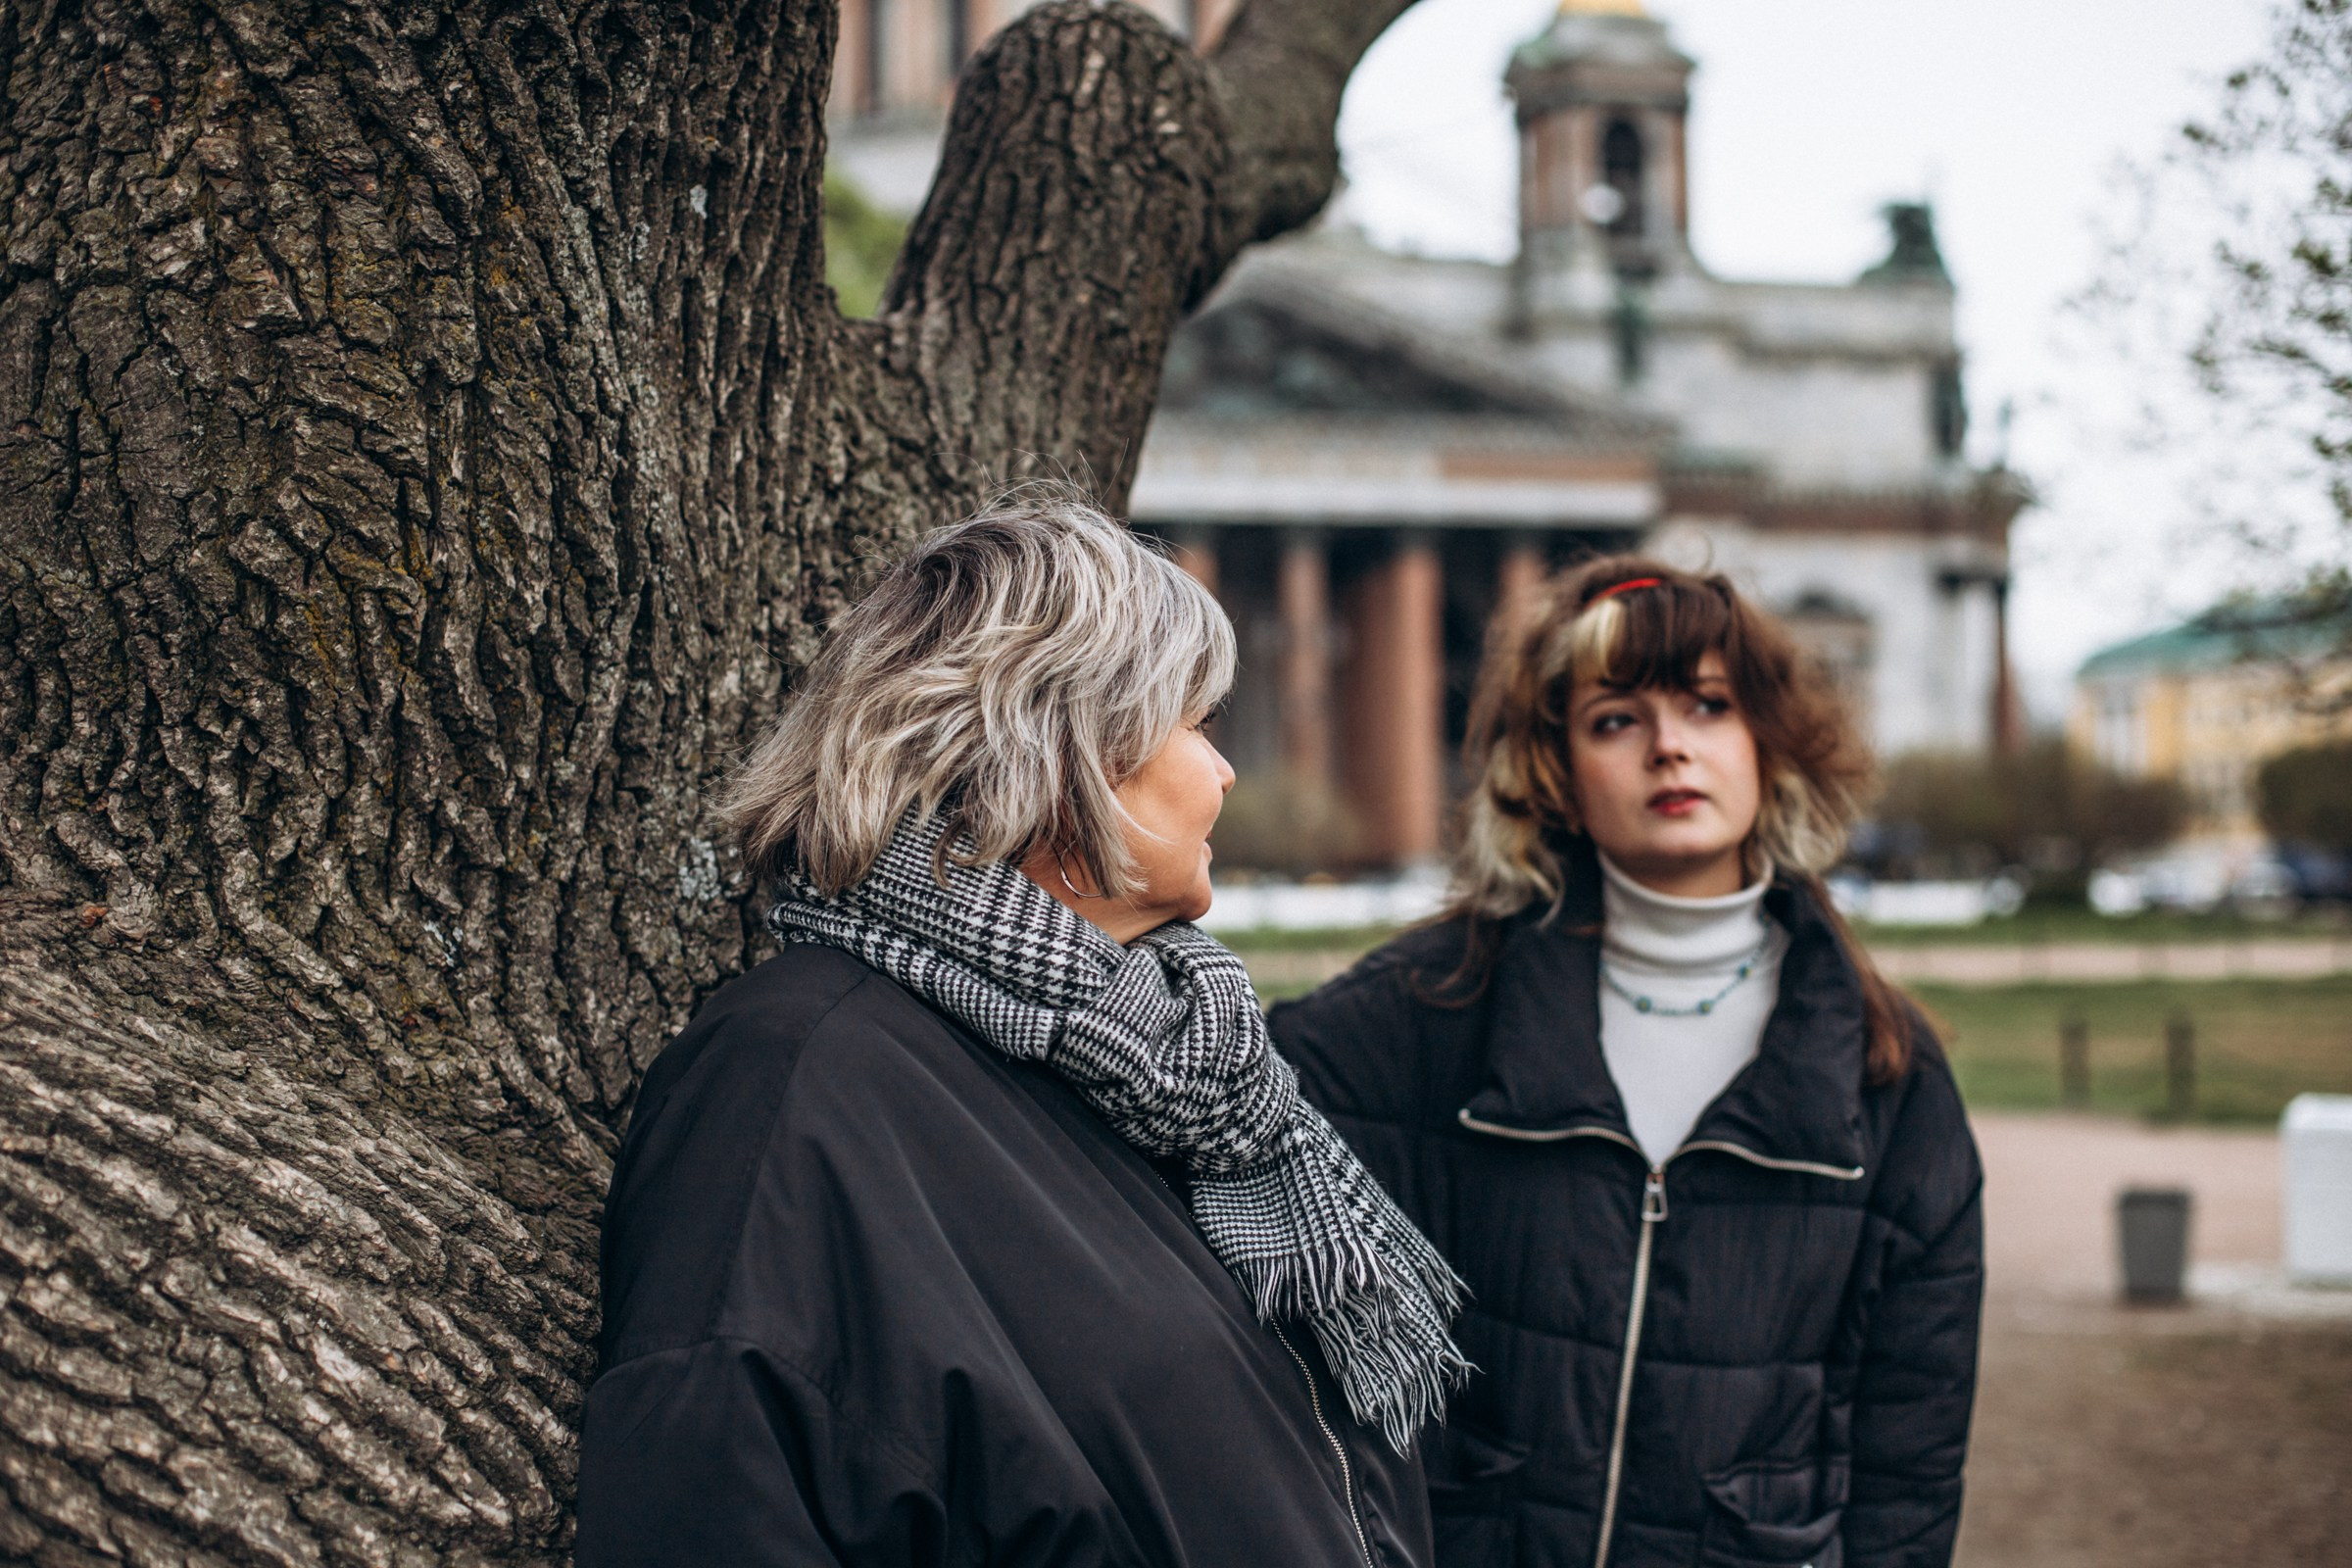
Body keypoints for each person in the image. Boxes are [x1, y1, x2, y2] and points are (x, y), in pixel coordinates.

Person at [576, 493, 1465, 1567]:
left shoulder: (1181, 1070)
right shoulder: (791, 1078)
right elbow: (725, 1492)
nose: (1226, 772)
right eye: (1198, 724)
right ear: (1065, 745)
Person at [1269, 560, 1984, 1568]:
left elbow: (1910, 1462)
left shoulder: (1886, 1072)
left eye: (1708, 705)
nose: (1670, 747)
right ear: (1553, 768)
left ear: (1769, 744)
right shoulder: (1424, 1012)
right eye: (1615, 719)